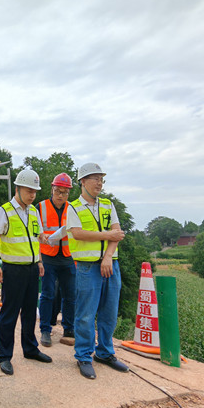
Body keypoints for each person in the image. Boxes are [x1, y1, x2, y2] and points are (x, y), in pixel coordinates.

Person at [48, 163, 128, 380]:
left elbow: (117, 233)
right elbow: (78, 233)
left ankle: (105, 353)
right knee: (85, 315)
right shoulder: (73, 207)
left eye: (101, 179)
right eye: (94, 179)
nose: (99, 183)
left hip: (110, 265)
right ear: (83, 181)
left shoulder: (108, 205)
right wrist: (108, 236)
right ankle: (84, 356)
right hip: (87, 267)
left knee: (109, 313)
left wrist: (109, 256)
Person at [0, 169, 52, 375]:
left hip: (32, 268)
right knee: (9, 313)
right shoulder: (5, 211)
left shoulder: (34, 211)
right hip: (13, 270)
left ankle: (30, 349)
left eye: (35, 191)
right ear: (18, 188)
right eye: (29, 191)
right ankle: (4, 356)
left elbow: (37, 237)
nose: (32, 195)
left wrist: (41, 261)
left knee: (29, 312)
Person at [37, 173, 76, 348]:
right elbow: (35, 231)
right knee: (47, 294)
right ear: (52, 190)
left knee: (70, 296)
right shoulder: (41, 207)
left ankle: (69, 328)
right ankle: (45, 329)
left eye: (65, 192)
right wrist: (43, 237)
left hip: (68, 258)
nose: (61, 195)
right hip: (48, 256)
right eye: (58, 191)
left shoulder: (73, 209)